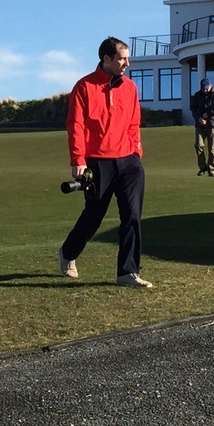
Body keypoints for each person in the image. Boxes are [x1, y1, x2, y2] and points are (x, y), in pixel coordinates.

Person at [59, 36, 152, 288]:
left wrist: (136, 151)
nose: (127, 63)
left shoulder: (130, 87)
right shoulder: (84, 87)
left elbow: (134, 123)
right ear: (106, 59)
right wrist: (78, 159)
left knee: (132, 215)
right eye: (122, 58)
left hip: (129, 161)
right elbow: (75, 125)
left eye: (127, 58)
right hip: (98, 162)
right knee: (94, 215)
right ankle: (68, 253)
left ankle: (128, 272)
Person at [191, 76, 214, 177]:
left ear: (210, 86)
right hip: (200, 126)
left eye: (206, 88)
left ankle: (211, 168)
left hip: (212, 125)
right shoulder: (197, 95)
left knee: (212, 149)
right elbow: (193, 108)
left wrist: (207, 114)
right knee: (198, 145)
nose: (204, 90)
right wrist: (199, 118)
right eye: (203, 88)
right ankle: (202, 167)